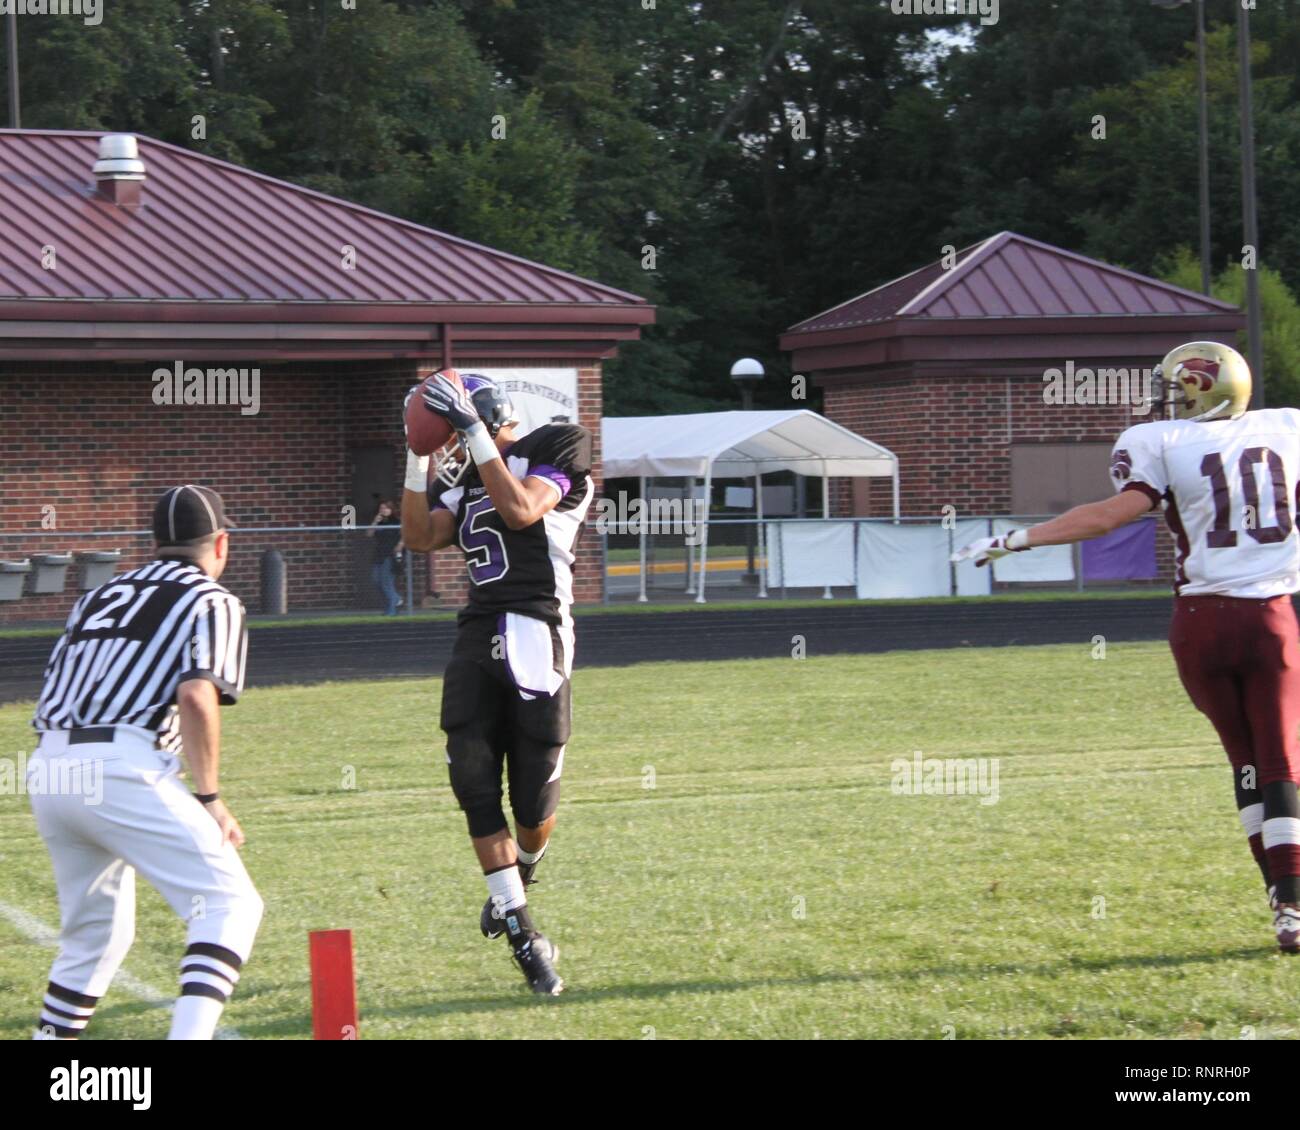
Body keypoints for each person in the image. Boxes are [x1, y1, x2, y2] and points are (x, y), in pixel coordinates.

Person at [952, 342, 1300, 952]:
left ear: (1201, 390)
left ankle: (1281, 899)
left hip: (1198, 626)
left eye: (1176, 388)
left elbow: (1110, 515)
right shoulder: (1288, 429)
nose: (1167, 401)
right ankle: (1291, 907)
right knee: (1281, 764)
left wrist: (1014, 540)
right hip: (1270, 620)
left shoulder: (1157, 441)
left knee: (1244, 762)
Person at [27, 484, 262, 1038]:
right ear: (221, 544)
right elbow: (197, 695)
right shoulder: (212, 599)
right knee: (229, 905)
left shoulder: (99, 595)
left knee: (95, 939)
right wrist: (209, 797)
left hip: (51, 764)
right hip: (122, 764)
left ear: (155, 543)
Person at [401, 371, 594, 995]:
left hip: (538, 629)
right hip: (479, 627)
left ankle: (522, 877)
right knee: (473, 779)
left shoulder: (558, 443)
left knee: (533, 800)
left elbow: (520, 510)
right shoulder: (462, 476)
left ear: (482, 415)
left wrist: (473, 432)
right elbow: (418, 537)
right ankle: (522, 931)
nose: (453, 446)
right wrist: (416, 457)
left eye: (458, 428)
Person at [366, 498, 404, 615]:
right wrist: (375, 521)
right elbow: (369, 534)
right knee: (376, 581)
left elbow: (405, 535)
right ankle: (396, 599)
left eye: (386, 508)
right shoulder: (379, 522)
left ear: (391, 509)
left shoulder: (397, 521)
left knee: (386, 582)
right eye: (381, 508)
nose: (384, 510)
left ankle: (391, 611)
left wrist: (400, 545)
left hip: (390, 555)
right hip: (379, 554)